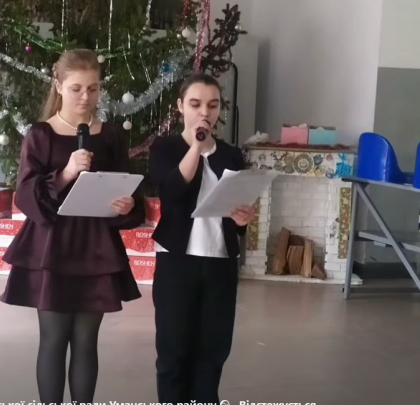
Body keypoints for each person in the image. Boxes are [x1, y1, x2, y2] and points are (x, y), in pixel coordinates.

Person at [0, 49, 143, 403]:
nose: (85, 97)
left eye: (93, 89)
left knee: (86, 341)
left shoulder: (109, 136)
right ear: (59, 85)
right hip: (52, 249)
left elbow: (128, 189)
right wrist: (65, 173)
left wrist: (126, 204)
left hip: (96, 249)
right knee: (53, 339)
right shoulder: (41, 134)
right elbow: (25, 195)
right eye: (76, 88)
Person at [148, 73, 256, 403]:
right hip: (177, 261)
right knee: (174, 351)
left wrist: (243, 220)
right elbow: (171, 191)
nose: (204, 112)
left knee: (213, 352)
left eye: (212, 105)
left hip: (221, 262)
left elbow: (236, 212)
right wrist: (196, 145)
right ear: (181, 106)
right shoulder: (165, 148)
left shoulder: (231, 154)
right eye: (195, 104)